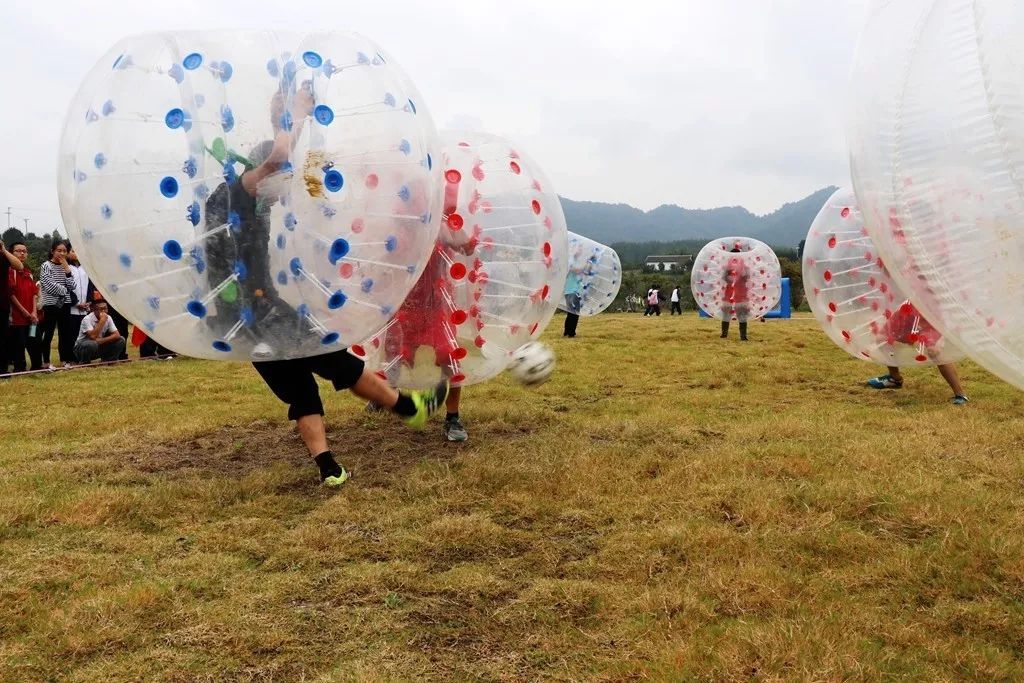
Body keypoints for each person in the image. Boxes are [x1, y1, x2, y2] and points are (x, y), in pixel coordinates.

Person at [204, 81, 451, 485]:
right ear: (262, 173)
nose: (287, 188)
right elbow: (278, 156)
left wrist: (287, 124)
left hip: (241, 319)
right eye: (283, 180)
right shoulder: (240, 193)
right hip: (259, 312)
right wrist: (294, 113)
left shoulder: (243, 199)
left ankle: (327, 467)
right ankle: (410, 409)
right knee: (336, 360)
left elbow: (278, 158)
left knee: (300, 388)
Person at [866, 301, 969, 405]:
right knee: (882, 338)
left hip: (930, 313)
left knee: (933, 351)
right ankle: (894, 378)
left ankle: (960, 394)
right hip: (910, 310)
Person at [38, 239, 77, 369]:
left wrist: (67, 270)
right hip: (50, 305)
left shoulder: (67, 267)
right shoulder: (46, 265)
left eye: (64, 251)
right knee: (48, 334)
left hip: (65, 304)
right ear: (52, 251)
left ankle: (64, 359)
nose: (62, 253)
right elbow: (48, 286)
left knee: (64, 333)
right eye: (59, 250)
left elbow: (73, 285)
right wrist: (64, 289)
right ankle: (46, 362)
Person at [7, 241, 41, 373]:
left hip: (31, 319)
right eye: (18, 251)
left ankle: (37, 366)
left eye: (25, 251)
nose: (22, 253)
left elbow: (34, 294)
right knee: (19, 344)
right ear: (11, 253)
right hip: (17, 319)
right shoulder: (10, 272)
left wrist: (33, 312)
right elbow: (11, 295)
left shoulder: (28, 273)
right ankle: (19, 368)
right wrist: (25, 312)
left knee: (33, 341)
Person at [0, 239, 26, 374]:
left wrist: (3, 250)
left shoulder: (3, 256)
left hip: (2, 304)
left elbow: (19, 266)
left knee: (3, 339)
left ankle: (2, 370)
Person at [74, 298, 126, 364]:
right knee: (91, 344)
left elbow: (116, 335)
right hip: (82, 348)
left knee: (121, 339)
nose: (104, 311)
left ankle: (109, 360)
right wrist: (102, 321)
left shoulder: (108, 317)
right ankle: (84, 362)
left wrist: (101, 340)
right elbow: (93, 336)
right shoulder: (87, 319)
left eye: (106, 308)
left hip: (98, 345)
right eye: (101, 309)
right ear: (93, 310)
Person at [63, 243, 92, 366]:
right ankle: (71, 357)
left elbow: (91, 285)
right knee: (71, 333)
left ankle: (84, 357)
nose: (76, 253)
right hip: (72, 308)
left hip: (85, 307)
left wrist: (89, 301)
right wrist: (75, 303)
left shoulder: (85, 267)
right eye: (73, 250)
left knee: (85, 333)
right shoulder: (66, 268)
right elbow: (66, 287)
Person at [720, 247, 749, 340]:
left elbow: (746, 277)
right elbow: (725, 278)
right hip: (734, 294)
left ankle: (726, 334)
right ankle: (742, 336)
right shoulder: (728, 268)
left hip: (738, 295)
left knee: (739, 315)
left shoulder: (743, 267)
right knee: (731, 315)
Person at [563, 267, 583, 338]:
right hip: (573, 293)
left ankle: (567, 332)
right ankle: (571, 333)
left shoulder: (567, 268)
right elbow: (578, 270)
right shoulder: (572, 267)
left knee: (570, 313)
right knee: (575, 313)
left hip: (568, 292)